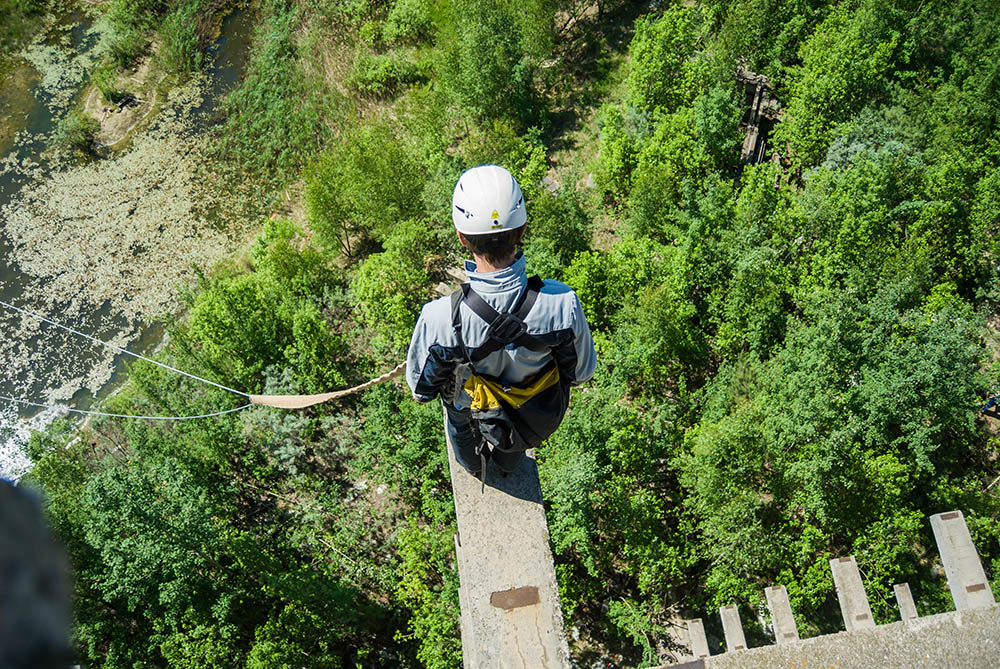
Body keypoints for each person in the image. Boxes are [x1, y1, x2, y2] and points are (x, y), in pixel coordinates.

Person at [406, 164, 596, 479]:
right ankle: (507, 467)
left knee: (458, 414)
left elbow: (421, 389)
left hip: (474, 407)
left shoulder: (440, 318)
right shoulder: (563, 304)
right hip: (532, 410)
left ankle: (474, 468)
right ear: (522, 231)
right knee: (517, 433)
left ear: (461, 237)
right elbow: (580, 373)